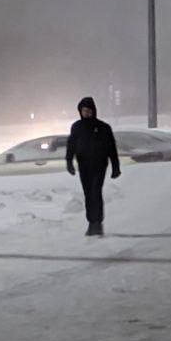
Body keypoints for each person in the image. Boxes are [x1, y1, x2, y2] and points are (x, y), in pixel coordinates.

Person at [65, 96, 120, 236]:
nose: (86, 113)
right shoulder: (76, 127)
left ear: (93, 111)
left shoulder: (103, 127)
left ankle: (97, 223)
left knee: (96, 192)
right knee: (88, 194)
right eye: (84, 110)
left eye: (89, 110)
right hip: (84, 166)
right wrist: (69, 162)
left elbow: (111, 148)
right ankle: (91, 222)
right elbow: (71, 146)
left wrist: (115, 167)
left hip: (99, 165)